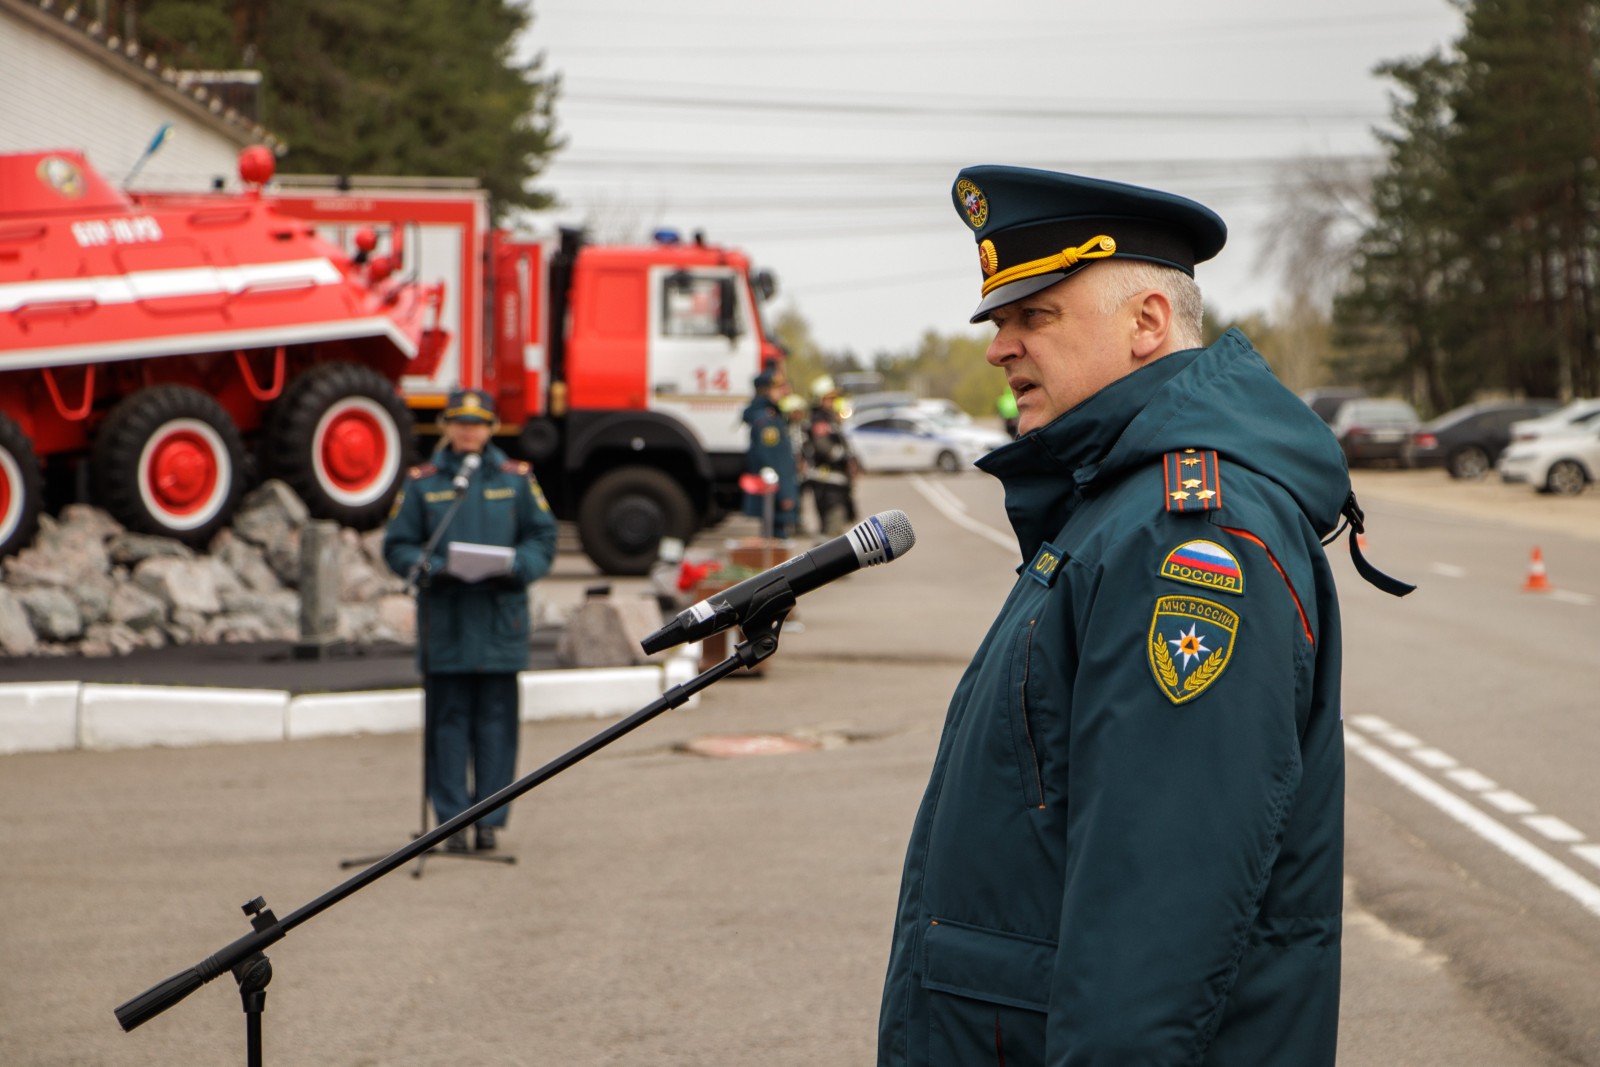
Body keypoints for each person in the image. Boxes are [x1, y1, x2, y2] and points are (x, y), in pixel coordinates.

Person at [878, 166, 1411, 1065]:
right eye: (998, 321)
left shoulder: (1185, 531)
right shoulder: (1114, 502)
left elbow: (1158, 916)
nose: (999, 347)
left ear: (1148, 323)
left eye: (1034, 314)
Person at [383, 389, 559, 853]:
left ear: (491, 428)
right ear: (446, 426)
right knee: (447, 725)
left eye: (478, 423)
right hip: (448, 621)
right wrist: (430, 567)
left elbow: (543, 538)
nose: (469, 431)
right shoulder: (423, 483)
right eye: (460, 422)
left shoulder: (515, 480)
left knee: (496, 727)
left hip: (499, 621)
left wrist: (517, 565)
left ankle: (488, 821)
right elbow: (398, 545)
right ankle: (451, 822)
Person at [741, 371, 799, 538]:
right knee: (776, 541)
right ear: (766, 391)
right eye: (779, 388)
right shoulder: (768, 421)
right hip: (775, 495)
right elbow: (773, 461)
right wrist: (785, 494)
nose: (784, 392)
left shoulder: (770, 416)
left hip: (774, 494)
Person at [803, 375, 858, 535]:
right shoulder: (820, 420)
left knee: (837, 524)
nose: (832, 402)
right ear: (819, 399)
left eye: (834, 398)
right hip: (827, 483)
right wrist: (843, 457)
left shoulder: (830, 418)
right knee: (833, 526)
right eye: (829, 398)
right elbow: (824, 447)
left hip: (836, 482)